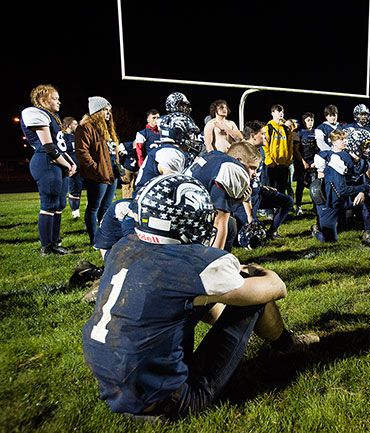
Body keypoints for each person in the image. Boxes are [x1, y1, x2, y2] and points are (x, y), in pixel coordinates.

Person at [82, 173, 319, 421]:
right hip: (168, 401)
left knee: (191, 301)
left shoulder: (125, 246)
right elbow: (276, 287)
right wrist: (255, 271)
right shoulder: (188, 265)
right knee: (252, 295)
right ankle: (286, 346)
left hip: (115, 385)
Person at [20, 84, 76, 255]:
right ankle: (46, 246)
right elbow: (49, 146)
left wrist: (70, 162)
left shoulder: (54, 116)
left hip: (58, 162)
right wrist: (66, 164)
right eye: (55, 98)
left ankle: (55, 242)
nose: (58, 102)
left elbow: (60, 146)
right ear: (42, 100)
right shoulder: (33, 112)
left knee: (59, 204)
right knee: (49, 204)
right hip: (46, 161)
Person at [185, 141, 261, 252]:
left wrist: (235, 201)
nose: (254, 173)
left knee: (230, 222)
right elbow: (219, 220)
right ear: (239, 160)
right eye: (252, 167)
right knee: (229, 224)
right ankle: (217, 260)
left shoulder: (214, 156)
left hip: (178, 210)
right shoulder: (232, 169)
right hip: (185, 222)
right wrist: (215, 262)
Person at [312, 129, 370, 247]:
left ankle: (368, 234)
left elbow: (360, 177)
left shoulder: (362, 160)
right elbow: (341, 189)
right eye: (364, 147)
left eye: (369, 147)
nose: (368, 150)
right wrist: (363, 187)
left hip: (346, 196)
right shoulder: (337, 159)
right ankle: (316, 230)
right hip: (330, 201)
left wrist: (363, 190)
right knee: (329, 240)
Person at [232, 121, 293, 243]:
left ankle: (272, 232)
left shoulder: (261, 150)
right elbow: (242, 185)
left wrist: (262, 187)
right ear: (254, 135)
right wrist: (249, 216)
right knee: (246, 239)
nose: (265, 137)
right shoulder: (241, 152)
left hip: (257, 191)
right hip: (243, 197)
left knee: (287, 201)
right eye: (262, 134)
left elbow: (256, 176)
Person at [75, 96, 119, 246]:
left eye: (109, 110)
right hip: (98, 175)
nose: (108, 113)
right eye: (105, 110)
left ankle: (104, 237)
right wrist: (96, 169)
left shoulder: (107, 129)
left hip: (111, 173)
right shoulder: (85, 127)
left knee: (106, 207)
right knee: (94, 207)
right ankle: (94, 240)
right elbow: (82, 153)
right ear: (96, 111)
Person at [133, 112, 203, 195]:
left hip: (153, 196)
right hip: (148, 200)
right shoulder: (170, 153)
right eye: (190, 133)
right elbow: (173, 189)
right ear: (178, 134)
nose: (192, 138)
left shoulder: (170, 149)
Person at [262, 104, 293, 195]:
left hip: (283, 164)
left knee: (281, 190)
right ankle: (270, 208)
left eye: (282, 111)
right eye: (278, 111)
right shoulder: (268, 128)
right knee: (270, 189)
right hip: (272, 164)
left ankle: (280, 209)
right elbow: (265, 145)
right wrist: (269, 161)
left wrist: (288, 160)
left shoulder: (286, 128)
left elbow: (289, 145)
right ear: (272, 113)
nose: (281, 113)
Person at [294, 112, 319, 215]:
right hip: (302, 163)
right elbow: (296, 150)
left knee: (314, 185)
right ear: (304, 121)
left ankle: (315, 206)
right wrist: (303, 162)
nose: (310, 122)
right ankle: (298, 207)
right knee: (300, 185)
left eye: (312, 120)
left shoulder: (316, 132)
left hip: (314, 163)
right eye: (308, 120)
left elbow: (319, 148)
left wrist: (315, 162)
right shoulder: (299, 133)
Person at [61, 116, 83, 220]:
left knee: (78, 190)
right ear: (69, 125)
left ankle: (76, 212)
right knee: (73, 190)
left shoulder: (75, 137)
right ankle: (75, 213)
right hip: (70, 166)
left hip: (79, 166)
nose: (77, 126)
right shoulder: (63, 136)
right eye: (75, 124)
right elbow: (62, 152)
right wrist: (69, 164)